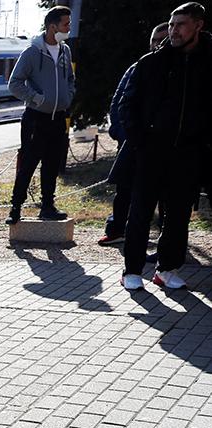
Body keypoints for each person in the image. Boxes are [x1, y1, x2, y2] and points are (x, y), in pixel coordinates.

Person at [121, 2, 211, 290]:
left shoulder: (209, 64)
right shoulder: (150, 63)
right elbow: (127, 106)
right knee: (140, 213)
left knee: (178, 217)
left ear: (198, 25)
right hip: (150, 153)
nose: (173, 30)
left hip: (189, 154)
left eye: (180, 24)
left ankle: (167, 269)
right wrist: (140, 142)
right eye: (171, 24)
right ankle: (132, 271)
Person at [100, 22, 170, 247]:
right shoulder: (139, 67)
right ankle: (117, 229)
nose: (159, 44)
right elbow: (119, 102)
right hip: (132, 142)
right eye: (155, 40)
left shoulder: (178, 70)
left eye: (164, 39)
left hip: (163, 145)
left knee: (164, 196)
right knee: (125, 189)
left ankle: (163, 239)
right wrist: (123, 134)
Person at [5, 5, 76, 224]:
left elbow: (70, 79)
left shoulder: (65, 51)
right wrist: (37, 98)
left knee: (52, 164)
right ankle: (15, 207)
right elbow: (14, 83)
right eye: (66, 24)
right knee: (28, 163)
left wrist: (68, 96)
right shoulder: (32, 52)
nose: (69, 28)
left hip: (58, 118)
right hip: (36, 118)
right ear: (52, 26)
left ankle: (47, 206)